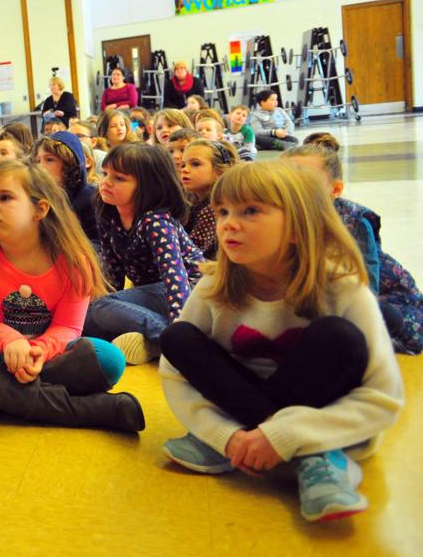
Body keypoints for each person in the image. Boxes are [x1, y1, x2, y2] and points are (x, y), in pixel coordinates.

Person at [159, 161, 403, 523]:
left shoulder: (343, 288)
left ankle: (317, 455)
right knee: (176, 337)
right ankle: (262, 446)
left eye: (251, 211)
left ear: (296, 227)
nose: (228, 223)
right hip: (239, 412)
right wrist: (226, 435)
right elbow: (175, 374)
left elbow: (383, 397)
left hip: (323, 416)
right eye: (223, 211)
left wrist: (286, 434)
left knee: (336, 336)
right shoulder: (213, 288)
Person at [0, 160, 142, 431]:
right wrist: (10, 341)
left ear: (40, 208)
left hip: (50, 356)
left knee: (109, 359)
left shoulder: (73, 260)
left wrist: (37, 351)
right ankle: (89, 410)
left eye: (5, 197)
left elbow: (68, 327)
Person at [283, 141, 423, 355]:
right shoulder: (279, 216)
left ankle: (379, 341)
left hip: (376, 296)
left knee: (382, 315)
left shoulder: (352, 220)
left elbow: (367, 280)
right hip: (319, 294)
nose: (291, 188)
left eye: (304, 181)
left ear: (335, 189)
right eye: (283, 180)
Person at [84, 143, 203, 365]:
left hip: (192, 292)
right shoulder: (107, 212)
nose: (106, 182)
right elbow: (114, 272)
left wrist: (181, 330)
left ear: (147, 186)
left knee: (101, 307)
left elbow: (176, 280)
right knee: (88, 319)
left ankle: (174, 342)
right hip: (154, 294)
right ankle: (151, 345)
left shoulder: (155, 221)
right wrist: (114, 307)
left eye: (119, 178)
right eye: (105, 173)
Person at [34, 132, 99, 247]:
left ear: (69, 164)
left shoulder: (92, 198)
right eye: (38, 161)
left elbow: (100, 246)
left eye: (49, 160)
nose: (41, 167)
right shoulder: (37, 198)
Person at [181, 140, 239, 260]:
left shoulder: (214, 208)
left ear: (219, 172)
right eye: (183, 165)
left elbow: (192, 250)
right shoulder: (190, 198)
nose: (185, 170)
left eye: (195, 164)